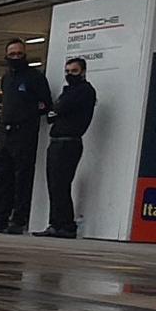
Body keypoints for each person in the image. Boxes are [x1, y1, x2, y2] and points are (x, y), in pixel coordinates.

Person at [0, 40, 54, 233]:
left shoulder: (34, 77)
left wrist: (29, 114)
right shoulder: (6, 78)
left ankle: (19, 220)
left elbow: (46, 104)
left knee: (22, 177)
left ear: (25, 54)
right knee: (2, 177)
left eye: (19, 54)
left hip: (25, 132)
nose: (15, 57)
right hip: (6, 132)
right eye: (11, 54)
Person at [39, 57, 96, 238]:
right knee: (54, 184)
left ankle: (65, 225)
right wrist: (56, 110)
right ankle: (55, 223)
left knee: (61, 184)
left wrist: (57, 109)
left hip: (69, 143)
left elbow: (61, 108)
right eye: (68, 71)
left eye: (74, 71)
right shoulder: (68, 91)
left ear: (83, 72)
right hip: (56, 142)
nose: (70, 75)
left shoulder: (85, 91)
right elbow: (52, 113)